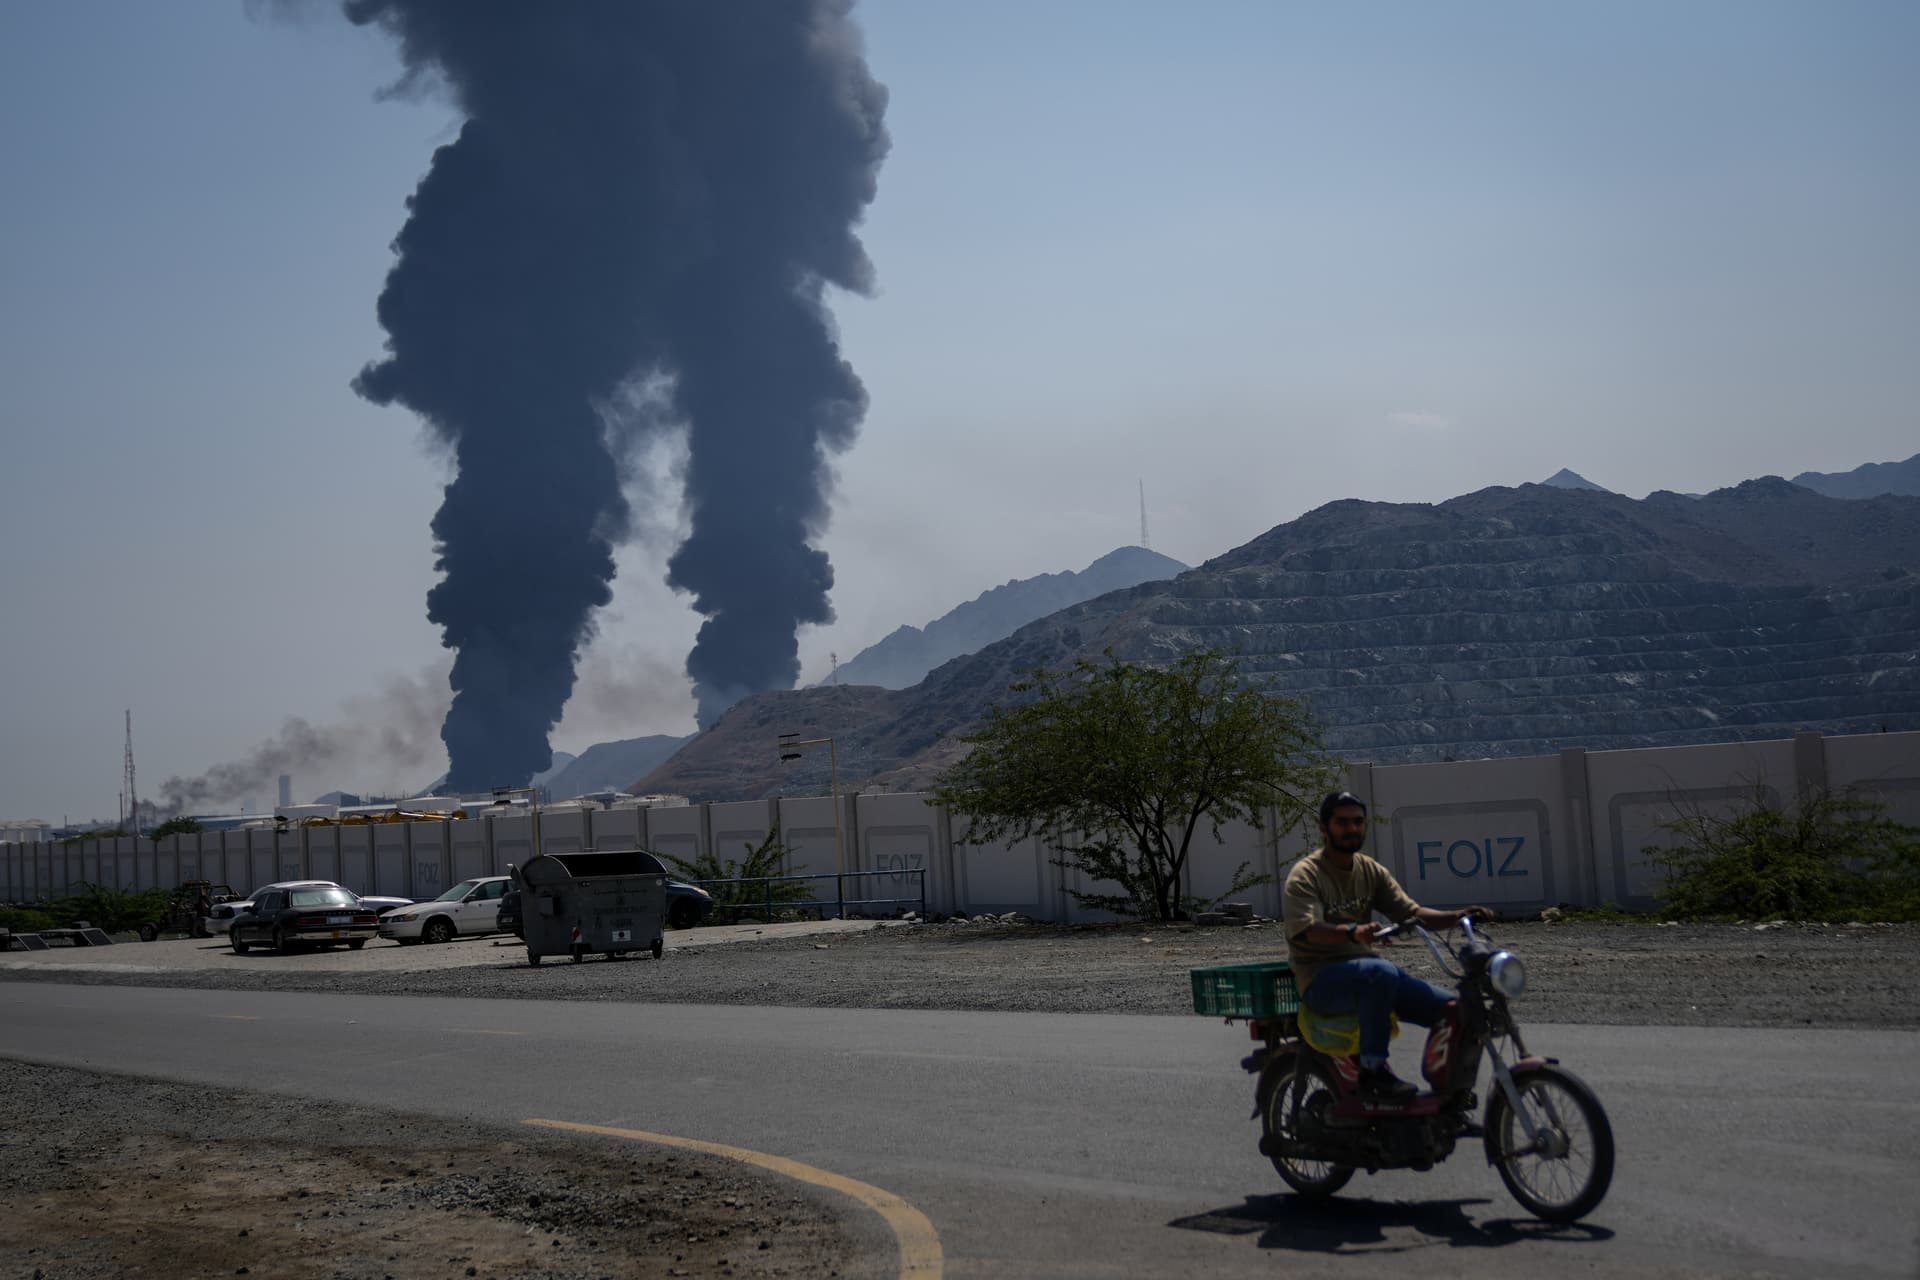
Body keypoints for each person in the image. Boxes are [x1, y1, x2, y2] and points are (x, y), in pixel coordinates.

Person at [1283, 790, 1492, 1099]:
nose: (1352, 829)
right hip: (1321, 980)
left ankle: (1448, 1086)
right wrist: (1352, 933)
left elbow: (1412, 913)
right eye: (1342, 823)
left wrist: (1459, 915)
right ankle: (1372, 1072)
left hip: (1368, 976)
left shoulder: (1369, 870)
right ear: (1324, 828)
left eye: (1358, 822)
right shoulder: (1306, 874)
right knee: (1380, 972)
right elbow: (1309, 930)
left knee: (1452, 1009)